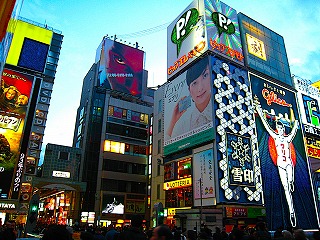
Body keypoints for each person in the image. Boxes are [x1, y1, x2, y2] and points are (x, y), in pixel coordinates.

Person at [256, 104, 298, 227]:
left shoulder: (287, 138)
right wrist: (259, 110)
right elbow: (267, 126)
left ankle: (291, 183)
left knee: (290, 183)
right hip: (280, 164)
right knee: (286, 189)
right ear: (277, 129)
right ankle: (291, 212)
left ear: (283, 129)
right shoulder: (275, 137)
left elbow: (294, 131)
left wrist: (296, 122)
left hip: (289, 163)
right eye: (279, 128)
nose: (280, 130)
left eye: (282, 128)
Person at [166, 57, 212, 138]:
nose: (200, 88)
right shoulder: (184, 124)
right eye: (194, 83)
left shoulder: (220, 109)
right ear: (189, 90)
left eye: (205, 75)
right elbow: (168, 147)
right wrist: (173, 121)